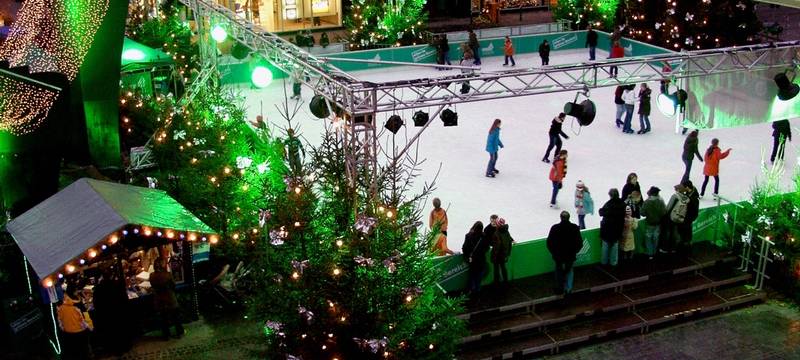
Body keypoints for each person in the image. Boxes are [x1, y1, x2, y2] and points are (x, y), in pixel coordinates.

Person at [546, 211, 583, 295]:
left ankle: (559, 288)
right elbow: (579, 243)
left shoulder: (555, 228)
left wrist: (554, 253)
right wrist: (575, 251)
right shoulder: (574, 228)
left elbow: (549, 243)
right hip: (570, 255)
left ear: (560, 217)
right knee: (569, 270)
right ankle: (568, 289)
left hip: (558, 256)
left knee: (559, 271)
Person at [149, 259, 184, 340]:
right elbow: (173, 285)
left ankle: (166, 335)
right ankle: (179, 333)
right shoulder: (168, 275)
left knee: (163, 319)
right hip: (170, 299)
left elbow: (153, 286)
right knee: (176, 317)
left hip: (159, 300)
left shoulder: (151, 275)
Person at [58, 291, 92, 360]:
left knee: (74, 351)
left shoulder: (60, 308)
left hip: (68, 334)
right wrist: (90, 327)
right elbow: (84, 319)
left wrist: (64, 329)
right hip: (80, 332)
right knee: (83, 351)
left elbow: (60, 322)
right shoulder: (78, 306)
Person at [599, 188, 626, 267]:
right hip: (618, 229)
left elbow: (601, 212)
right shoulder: (622, 204)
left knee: (605, 247)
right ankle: (613, 263)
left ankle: (604, 262)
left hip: (607, 229)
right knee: (614, 246)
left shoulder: (609, 204)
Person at [463, 221, 490, 293]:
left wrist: (468, 256)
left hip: (472, 260)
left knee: (471, 275)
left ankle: (470, 290)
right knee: (479, 277)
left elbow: (465, 248)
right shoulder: (484, 237)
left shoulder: (468, 236)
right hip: (481, 260)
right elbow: (487, 248)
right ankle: (477, 290)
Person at [662, 183, 689, 254]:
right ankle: (674, 248)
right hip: (679, 217)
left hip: (671, 217)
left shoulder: (675, 196)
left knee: (668, 233)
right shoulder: (685, 198)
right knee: (675, 232)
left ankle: (666, 248)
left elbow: (668, 208)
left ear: (677, 190)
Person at [641, 186, 666, 259]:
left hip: (650, 223)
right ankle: (655, 252)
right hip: (658, 223)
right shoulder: (661, 201)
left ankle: (650, 253)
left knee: (648, 238)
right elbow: (664, 212)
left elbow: (642, 213)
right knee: (656, 238)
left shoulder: (647, 202)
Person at [678, 180, 700, 254]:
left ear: (687, 187)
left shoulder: (693, 198)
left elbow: (694, 211)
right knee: (685, 233)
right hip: (686, 218)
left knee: (686, 234)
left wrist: (688, 218)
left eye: (683, 187)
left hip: (687, 218)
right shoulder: (689, 193)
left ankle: (686, 249)